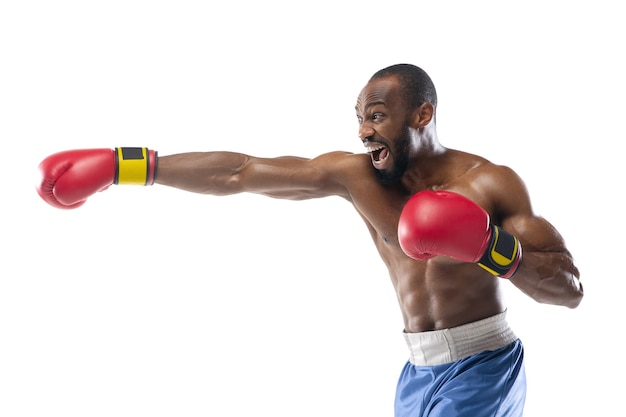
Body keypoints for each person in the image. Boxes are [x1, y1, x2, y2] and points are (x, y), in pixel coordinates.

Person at [35, 64, 583, 416]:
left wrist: (489, 246)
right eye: (359, 119)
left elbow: (569, 289)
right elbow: (242, 172)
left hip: (485, 364)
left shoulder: (490, 183)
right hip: (417, 371)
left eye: (377, 115)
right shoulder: (357, 176)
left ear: (423, 114)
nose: (364, 131)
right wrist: (128, 166)